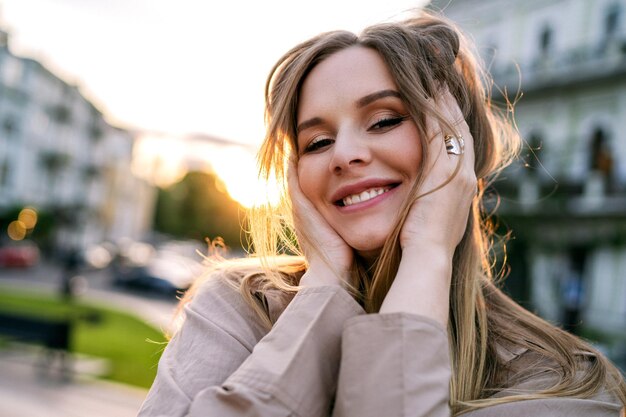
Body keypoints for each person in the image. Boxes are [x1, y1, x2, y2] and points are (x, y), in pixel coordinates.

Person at [137, 11, 626, 417]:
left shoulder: (565, 384)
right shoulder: (236, 309)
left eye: (386, 120)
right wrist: (325, 287)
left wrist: (427, 253)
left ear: (457, 144)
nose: (343, 154)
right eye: (317, 141)